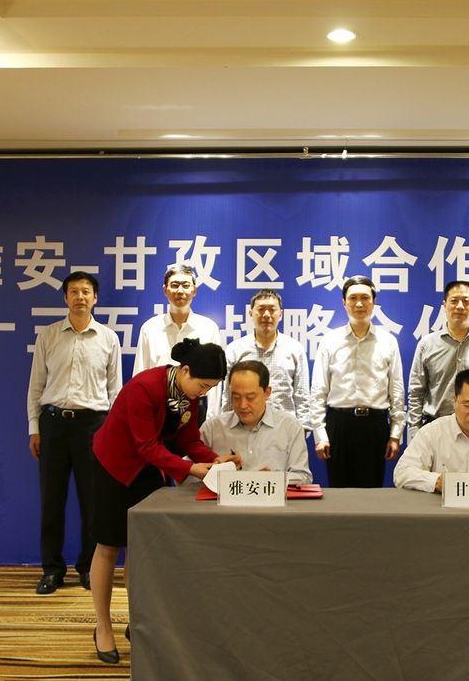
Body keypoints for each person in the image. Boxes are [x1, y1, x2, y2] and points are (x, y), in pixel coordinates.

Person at [88, 339, 240, 664]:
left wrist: (214, 460)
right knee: (109, 545)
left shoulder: (189, 395)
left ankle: (138, 620)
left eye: (211, 388)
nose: (204, 393)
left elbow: (188, 439)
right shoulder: (144, 387)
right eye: (203, 385)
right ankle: (102, 627)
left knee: (141, 549)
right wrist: (193, 469)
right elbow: (146, 446)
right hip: (115, 466)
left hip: (150, 469)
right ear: (185, 371)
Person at [26, 271, 121, 595]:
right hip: (53, 425)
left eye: (86, 291)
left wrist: (111, 434)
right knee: (51, 501)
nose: (80, 297)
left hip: (94, 426)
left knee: (92, 503)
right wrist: (34, 428)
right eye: (74, 291)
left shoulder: (108, 338)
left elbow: (115, 391)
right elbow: (36, 387)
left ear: (95, 298)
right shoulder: (49, 335)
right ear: (65, 298)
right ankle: (52, 570)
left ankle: (88, 568)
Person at [310, 275, 406, 487]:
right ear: (344, 302)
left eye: (365, 298)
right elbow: (318, 391)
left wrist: (395, 434)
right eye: (353, 298)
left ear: (374, 301)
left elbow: (397, 391)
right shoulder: (330, 341)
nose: (359, 304)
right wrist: (320, 435)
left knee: (371, 493)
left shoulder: (388, 341)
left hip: (375, 426)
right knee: (339, 492)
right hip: (339, 424)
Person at [407, 281, 469, 442]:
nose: (460, 306)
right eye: (454, 301)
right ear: (444, 305)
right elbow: (416, 392)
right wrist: (414, 431)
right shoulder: (427, 345)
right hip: (435, 430)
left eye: (466, 301)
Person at [133, 263, 224, 421]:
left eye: (186, 285)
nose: (180, 291)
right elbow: (140, 374)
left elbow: (215, 381)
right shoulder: (150, 328)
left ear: (194, 290)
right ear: (165, 290)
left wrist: (212, 419)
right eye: (174, 285)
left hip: (197, 408)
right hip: (158, 406)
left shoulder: (209, 328)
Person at [202, 360, 312, 483]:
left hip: (272, 495)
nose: (243, 405)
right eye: (236, 397)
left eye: (250, 398)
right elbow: (189, 475)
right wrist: (214, 469)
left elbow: (303, 477)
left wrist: (273, 479)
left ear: (267, 392)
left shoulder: (290, 426)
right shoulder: (213, 428)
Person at [221, 289, 311, 432]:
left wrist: (303, 429)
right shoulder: (235, 350)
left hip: (285, 429)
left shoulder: (295, 349)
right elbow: (228, 394)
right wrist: (226, 428)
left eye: (272, 310)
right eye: (261, 309)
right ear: (251, 313)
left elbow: (302, 395)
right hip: (243, 429)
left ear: (280, 314)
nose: (267, 315)